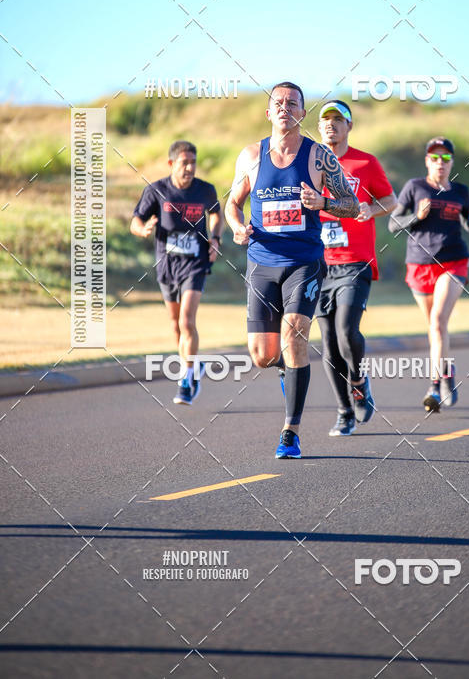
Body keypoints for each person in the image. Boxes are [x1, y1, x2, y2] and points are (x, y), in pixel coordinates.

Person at [225, 82, 359, 459]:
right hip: (261, 262)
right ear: (268, 112)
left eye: (293, 103)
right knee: (263, 356)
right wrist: (236, 227)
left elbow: (352, 205)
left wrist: (323, 202)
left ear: (302, 113)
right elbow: (232, 203)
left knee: (295, 333)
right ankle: (290, 369)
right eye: (278, 103)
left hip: (304, 262)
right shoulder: (251, 156)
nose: (285, 107)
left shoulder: (319, 157)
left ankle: (290, 433)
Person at [315, 101, 396, 436]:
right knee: (329, 342)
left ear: (349, 126)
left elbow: (390, 200)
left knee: (347, 331)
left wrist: (370, 209)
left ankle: (359, 382)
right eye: (326, 120)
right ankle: (344, 411)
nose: (331, 124)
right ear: (318, 127)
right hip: (318, 264)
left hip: (355, 262)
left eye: (338, 119)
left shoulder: (365, 162)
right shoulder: (308, 163)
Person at [388, 137, 469, 412]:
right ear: (427, 161)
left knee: (439, 322)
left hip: (453, 262)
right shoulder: (414, 187)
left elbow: (467, 224)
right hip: (419, 265)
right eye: (434, 157)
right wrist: (416, 216)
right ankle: (447, 371)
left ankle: (434, 385)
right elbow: (393, 224)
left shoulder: (460, 191)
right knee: (434, 327)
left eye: (445, 158)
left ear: (452, 162)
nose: (440, 162)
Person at [130, 140, 223, 405]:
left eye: (193, 163)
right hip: (167, 265)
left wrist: (215, 238)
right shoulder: (156, 190)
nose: (190, 168)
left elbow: (216, 214)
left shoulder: (205, 190)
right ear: (171, 164)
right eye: (184, 163)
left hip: (196, 263)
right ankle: (193, 364)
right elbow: (135, 221)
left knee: (187, 321)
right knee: (175, 324)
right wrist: (143, 229)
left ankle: (186, 379)